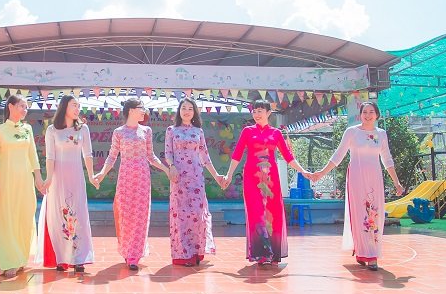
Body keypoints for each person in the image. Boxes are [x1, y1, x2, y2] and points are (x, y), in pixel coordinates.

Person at [308, 101, 404, 271]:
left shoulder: (381, 134)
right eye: (365, 112)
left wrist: (396, 182)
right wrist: (321, 173)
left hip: (375, 179)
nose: (368, 115)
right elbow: (338, 155)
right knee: (360, 215)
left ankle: (371, 253)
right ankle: (364, 252)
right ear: (360, 115)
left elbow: (387, 159)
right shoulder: (352, 132)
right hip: (356, 178)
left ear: (377, 115)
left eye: (371, 112)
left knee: (375, 214)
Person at [222, 99, 312, 266]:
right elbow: (237, 154)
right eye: (254, 111)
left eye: (260, 111)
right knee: (256, 213)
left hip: (271, 179)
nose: (256, 114)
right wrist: (228, 175)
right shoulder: (247, 131)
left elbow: (288, 157)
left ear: (268, 113)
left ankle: (273, 252)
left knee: (272, 214)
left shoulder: (276, 133)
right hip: (252, 178)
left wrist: (303, 171)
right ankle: (260, 253)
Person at [94, 98, 169, 271]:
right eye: (141, 108)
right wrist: (102, 174)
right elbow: (112, 156)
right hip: (125, 177)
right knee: (126, 215)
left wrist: (166, 170)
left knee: (141, 215)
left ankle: (135, 254)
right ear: (131, 110)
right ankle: (127, 251)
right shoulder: (119, 132)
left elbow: (151, 156)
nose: (144, 111)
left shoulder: (146, 131)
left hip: (143, 177)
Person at [36, 95, 97, 273]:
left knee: (79, 215)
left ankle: (79, 258)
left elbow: (88, 155)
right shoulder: (52, 130)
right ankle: (62, 258)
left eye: (79, 105)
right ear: (64, 107)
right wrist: (48, 179)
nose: (78, 109)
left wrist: (91, 176)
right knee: (58, 215)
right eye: (74, 105)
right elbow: (50, 157)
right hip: (58, 179)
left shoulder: (83, 129)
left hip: (76, 177)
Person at [0, 94, 45, 276]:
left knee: (24, 215)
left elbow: (32, 155)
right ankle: (9, 261)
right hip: (5, 179)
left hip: (25, 180)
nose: (25, 110)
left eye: (26, 107)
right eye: (22, 106)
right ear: (11, 106)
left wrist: (38, 177)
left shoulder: (27, 129)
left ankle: (21, 257)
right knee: (6, 216)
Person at [164, 98, 223, 266]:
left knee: (197, 214)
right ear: (179, 111)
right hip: (178, 177)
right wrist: (171, 166)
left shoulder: (198, 131)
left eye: (190, 108)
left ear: (194, 112)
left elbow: (205, 156)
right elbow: (168, 153)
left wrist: (217, 176)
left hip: (196, 176)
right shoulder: (171, 130)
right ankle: (184, 254)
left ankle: (197, 251)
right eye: (184, 108)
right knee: (181, 215)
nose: (187, 111)